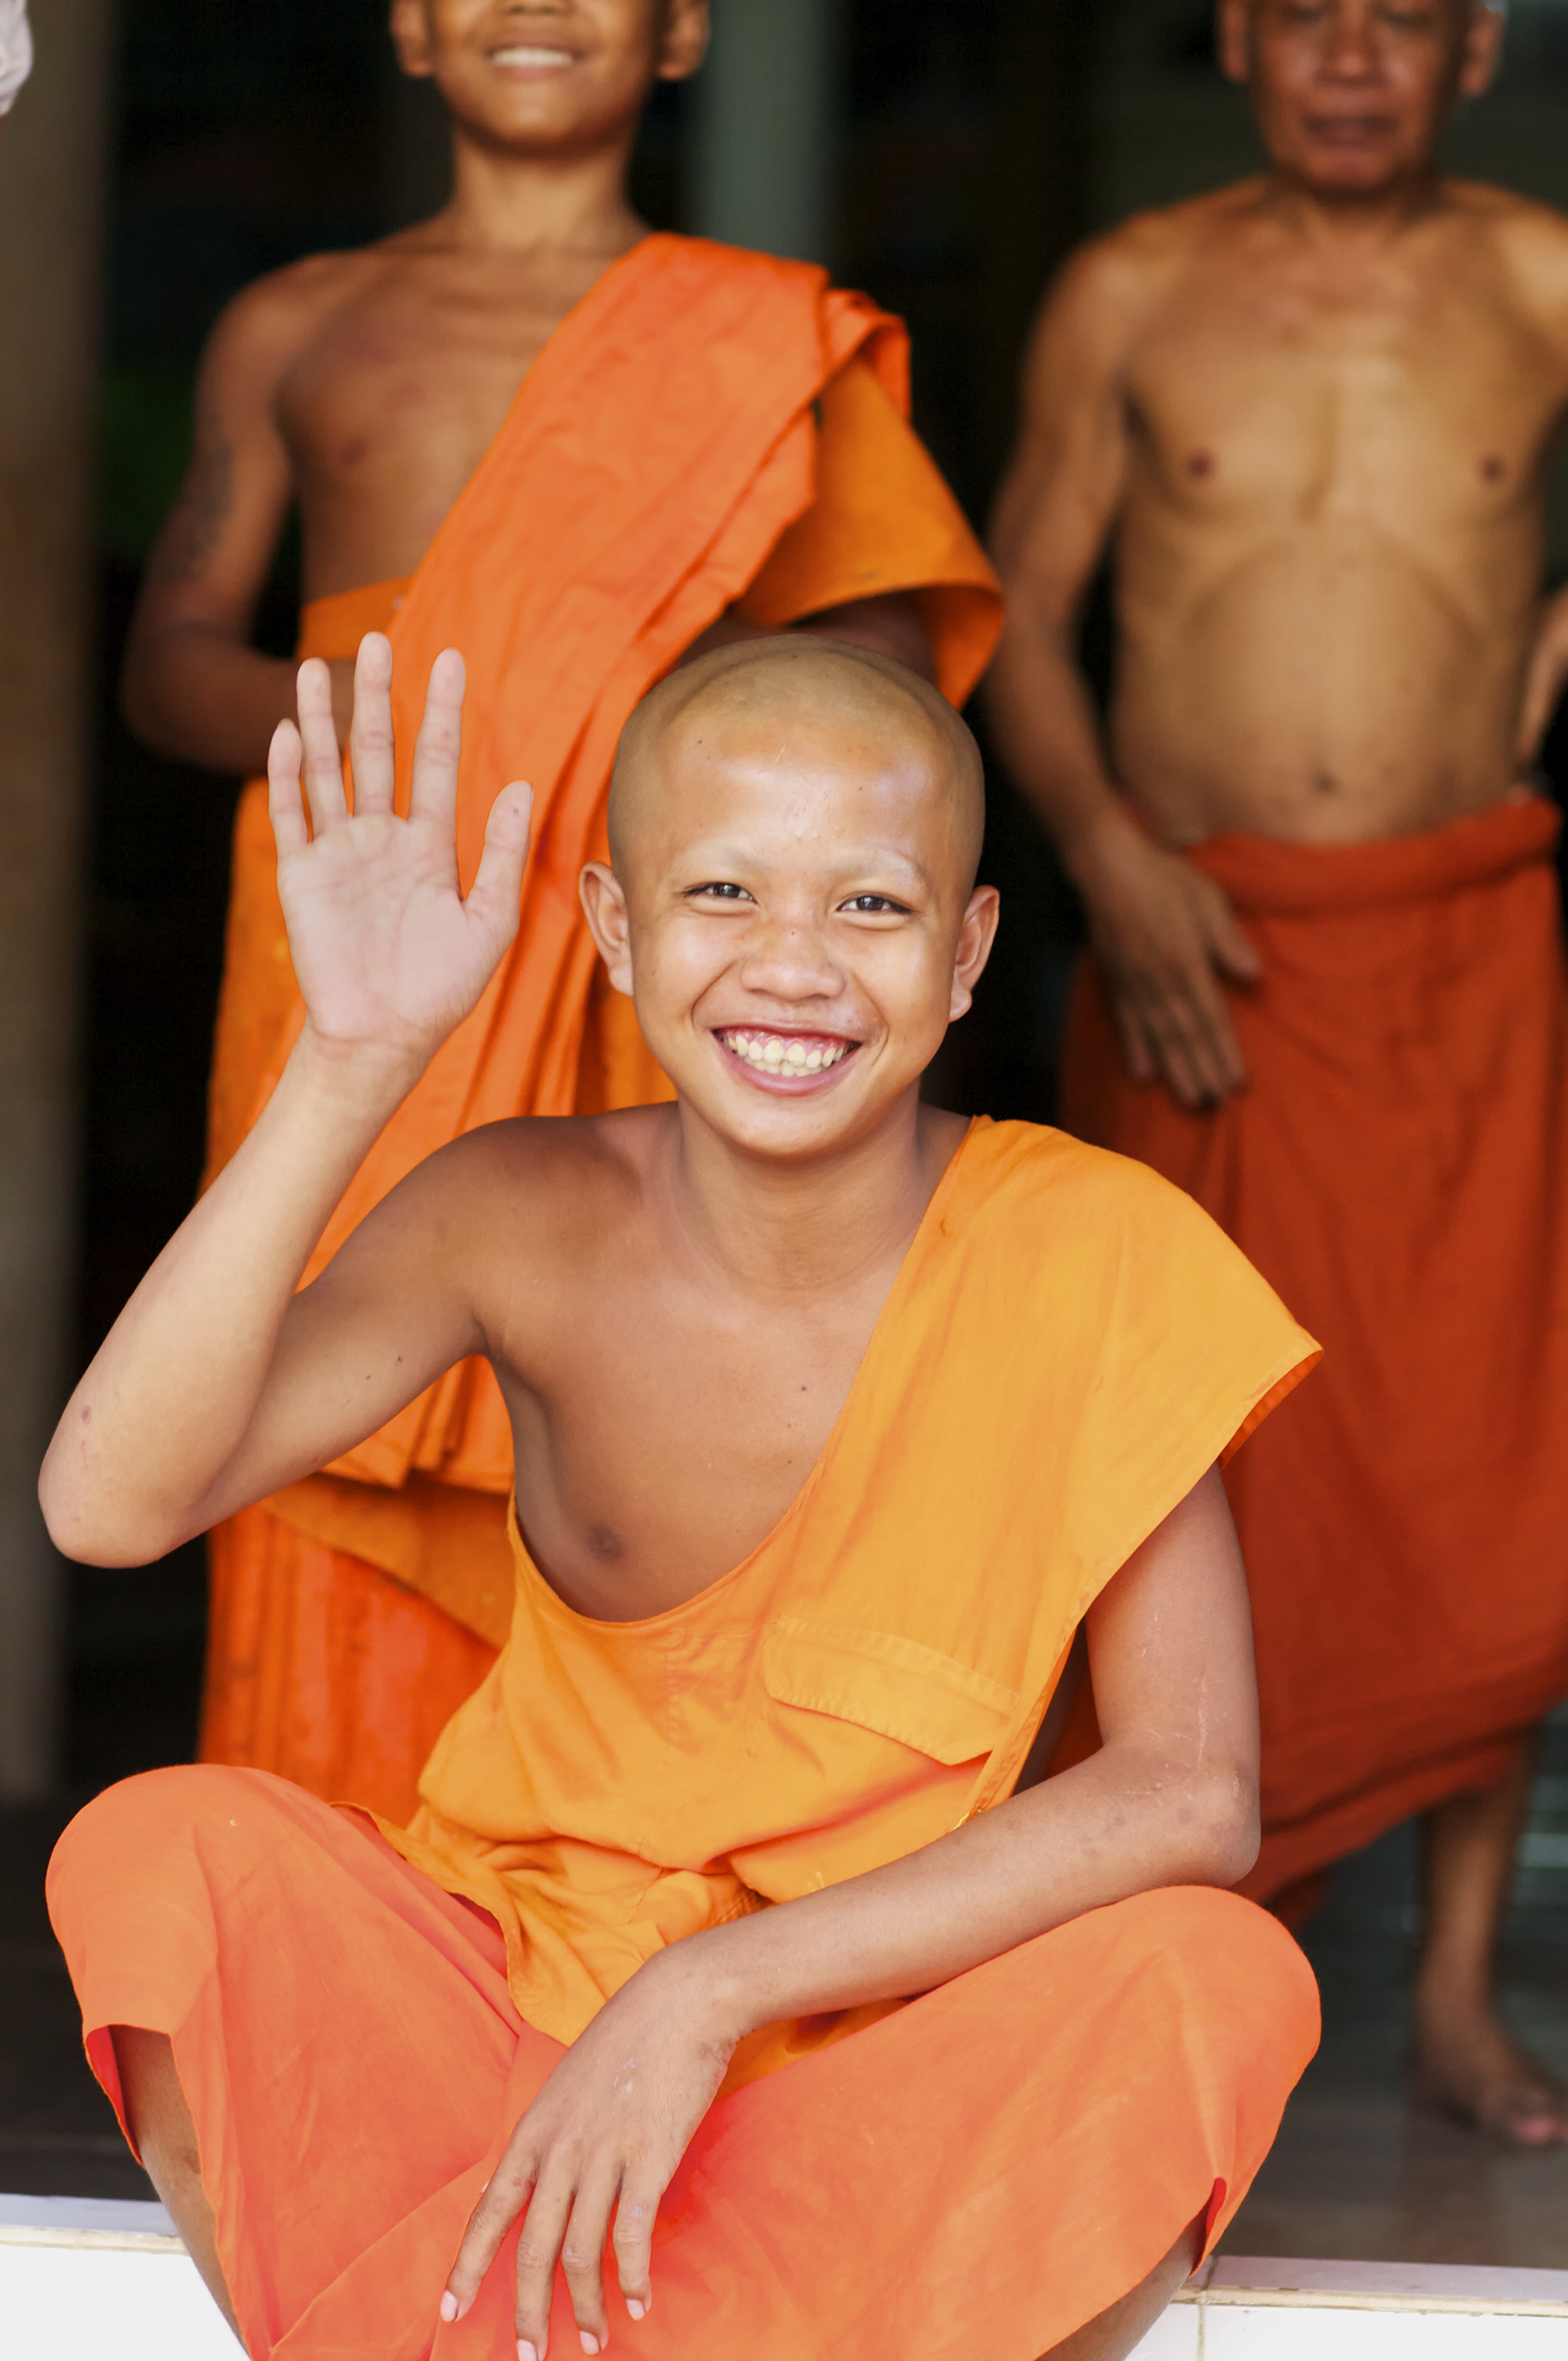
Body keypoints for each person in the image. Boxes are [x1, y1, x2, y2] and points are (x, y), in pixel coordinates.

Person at [45, 634, 1320, 2360]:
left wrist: (714, 1986)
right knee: (157, 1854)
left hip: (865, 2057)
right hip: (510, 2013)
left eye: (871, 908)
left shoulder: (1093, 1250)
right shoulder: (519, 1212)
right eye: (723, 889)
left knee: (1215, 1977)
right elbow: (108, 1503)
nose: (793, 968)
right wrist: (355, 1060)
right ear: (619, 927)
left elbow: (1194, 1792)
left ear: (968, 954)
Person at [982, 0, 1568, 2146]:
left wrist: (1567, 632)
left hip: (1453, 948)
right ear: (1239, 41)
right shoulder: (1137, 287)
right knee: (1170, 1482)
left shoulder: (1552, 280)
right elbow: (1014, 605)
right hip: (1202, 955)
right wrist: (1107, 855)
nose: (1352, 53)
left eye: (1402, 15)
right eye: (1309, 15)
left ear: (1473, 48)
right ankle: (1158, 1989)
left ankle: (1455, 1997)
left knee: (1483, 1470)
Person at [115, 0, 1003, 1824]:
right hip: (356, 908)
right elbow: (171, 658)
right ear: (410, 26)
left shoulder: (768, 341)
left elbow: (885, 694)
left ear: (681, 36)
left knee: (620, 1365)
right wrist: (409, 739)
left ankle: (593, 1939)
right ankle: (321, 1949)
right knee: (296, 1357)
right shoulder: (297, 321)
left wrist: (625, 735)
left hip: (648, 933)